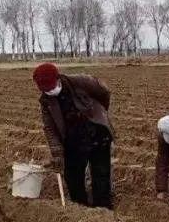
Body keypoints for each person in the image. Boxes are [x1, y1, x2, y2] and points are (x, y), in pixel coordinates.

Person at [33, 62, 114, 209]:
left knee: (100, 172)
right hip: (73, 138)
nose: (50, 91)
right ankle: (79, 206)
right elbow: (49, 128)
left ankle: (103, 208)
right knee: (72, 174)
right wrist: (57, 152)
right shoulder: (46, 101)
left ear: (58, 79)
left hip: (96, 132)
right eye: (46, 90)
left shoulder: (80, 82)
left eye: (51, 87)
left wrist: (99, 114)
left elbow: (104, 93)